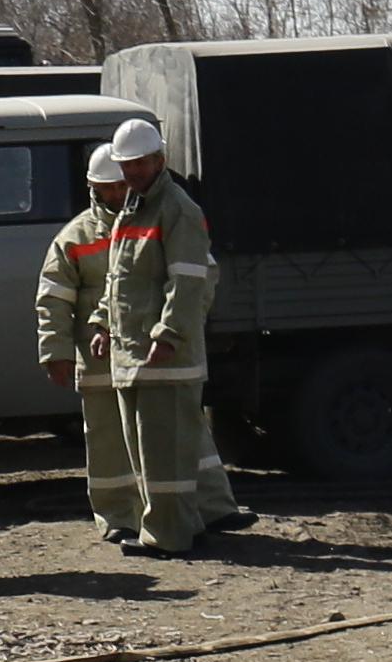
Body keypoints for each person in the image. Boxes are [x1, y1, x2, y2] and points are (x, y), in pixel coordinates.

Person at [37, 118, 244, 553]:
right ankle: (144, 522)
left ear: (159, 161)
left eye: (136, 166)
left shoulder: (172, 210)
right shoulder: (117, 220)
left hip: (157, 357)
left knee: (167, 451)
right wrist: (94, 329)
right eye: (120, 172)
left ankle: (178, 529)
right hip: (120, 358)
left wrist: (170, 333)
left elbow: (190, 281)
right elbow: (113, 285)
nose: (123, 183)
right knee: (134, 450)